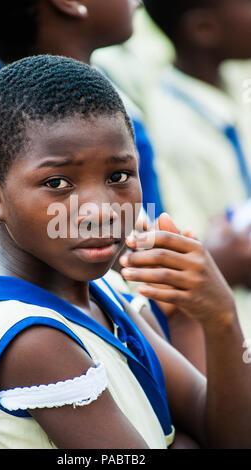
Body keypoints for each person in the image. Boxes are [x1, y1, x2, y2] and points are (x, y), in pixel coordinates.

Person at [0, 54, 251, 449]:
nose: (100, 210)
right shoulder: (33, 338)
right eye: (58, 182)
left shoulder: (98, 290)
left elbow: (218, 427)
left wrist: (220, 319)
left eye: (118, 176)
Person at [134, 0, 251, 339]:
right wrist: (225, 257)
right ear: (204, 30)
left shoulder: (236, 82)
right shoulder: (167, 127)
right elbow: (194, 246)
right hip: (232, 322)